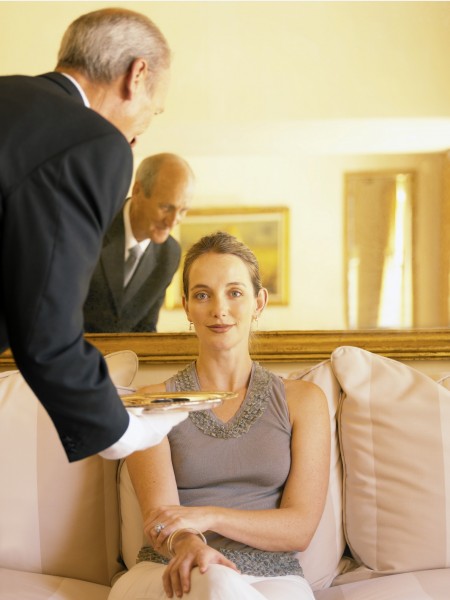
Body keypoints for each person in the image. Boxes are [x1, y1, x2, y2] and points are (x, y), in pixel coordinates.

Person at [0, 8, 188, 463]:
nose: (144, 127)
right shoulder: (94, 143)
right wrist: (123, 432)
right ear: (136, 75)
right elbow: (46, 325)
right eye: (154, 109)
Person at [109, 232, 331, 600]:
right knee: (214, 582)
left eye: (235, 292)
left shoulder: (304, 401)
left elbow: (299, 528)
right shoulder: (153, 402)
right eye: (202, 295)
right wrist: (191, 546)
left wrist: (208, 516)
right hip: (169, 571)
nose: (219, 308)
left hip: (274, 580)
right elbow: (161, 519)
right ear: (186, 307)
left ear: (259, 302)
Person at [84, 153, 195, 333]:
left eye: (183, 210)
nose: (173, 221)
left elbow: (146, 327)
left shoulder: (170, 254)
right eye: (166, 208)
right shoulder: (92, 226)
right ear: (137, 191)